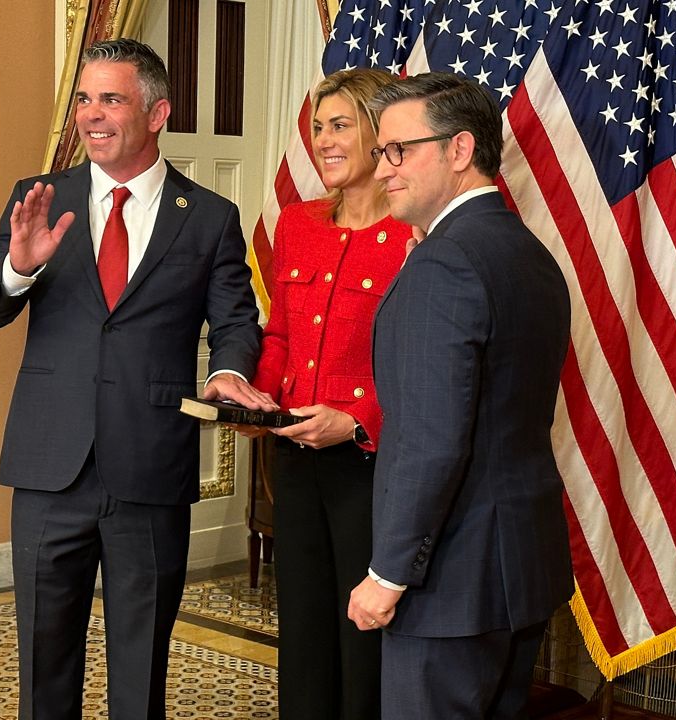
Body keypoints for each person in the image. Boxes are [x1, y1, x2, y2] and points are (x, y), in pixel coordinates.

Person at [0, 39, 274, 720]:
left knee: (141, 665)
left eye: (111, 99)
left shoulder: (210, 217)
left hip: (150, 464)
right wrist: (18, 266)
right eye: (83, 99)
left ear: (157, 112)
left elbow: (237, 321)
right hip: (49, 468)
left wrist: (227, 370)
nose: (91, 116)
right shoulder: (40, 200)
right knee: (44, 659)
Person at [346, 72, 573, 720]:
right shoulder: (528, 253)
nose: (382, 169)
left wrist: (388, 575)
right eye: (380, 151)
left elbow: (431, 442)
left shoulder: (445, 266)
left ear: (459, 150)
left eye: (399, 150)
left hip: (449, 582)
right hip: (516, 573)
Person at [246, 68, 409, 720]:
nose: (323, 141)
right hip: (293, 455)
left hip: (369, 466)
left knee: (363, 631)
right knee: (304, 626)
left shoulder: (412, 230)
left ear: (379, 134)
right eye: (317, 127)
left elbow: (425, 364)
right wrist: (255, 402)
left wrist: (358, 420)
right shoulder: (298, 223)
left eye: (339, 125)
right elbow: (281, 332)